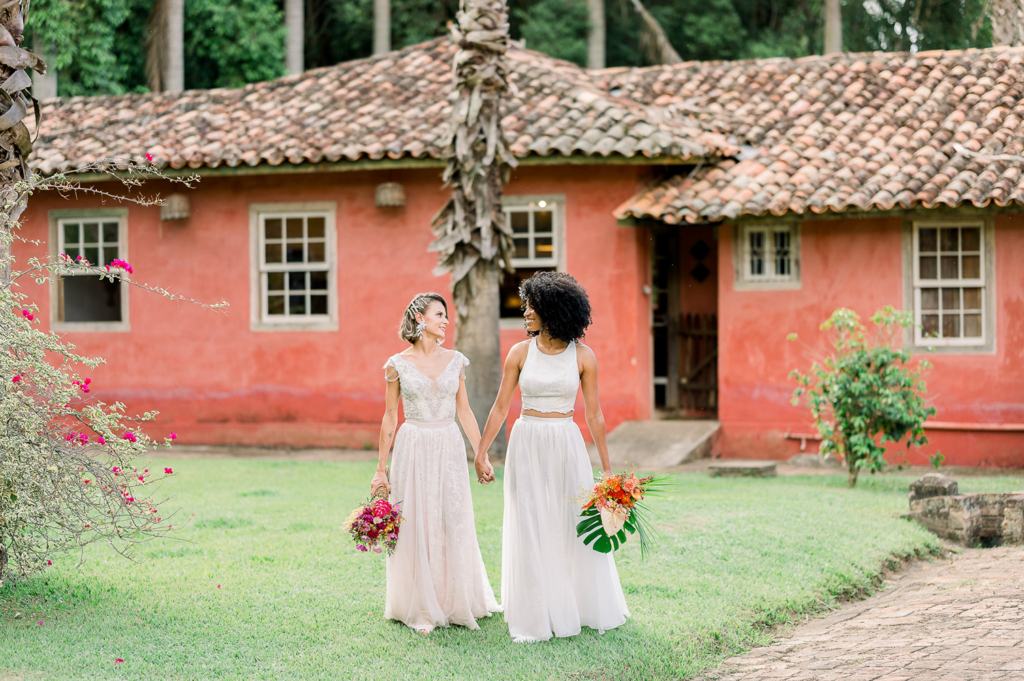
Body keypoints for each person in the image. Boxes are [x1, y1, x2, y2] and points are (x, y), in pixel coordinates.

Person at [475, 272, 629, 643]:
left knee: (570, 522)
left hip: (566, 442)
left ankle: (578, 604)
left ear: (553, 309)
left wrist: (607, 469)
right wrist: (480, 454)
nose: (525, 311)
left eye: (532, 305)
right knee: (529, 522)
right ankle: (534, 612)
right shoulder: (519, 352)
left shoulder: (584, 357)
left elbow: (594, 415)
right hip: (526, 441)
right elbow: (499, 409)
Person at [373, 292, 500, 634]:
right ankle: (421, 607)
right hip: (412, 446)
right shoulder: (395, 364)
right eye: (439, 314)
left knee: (451, 519)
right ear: (419, 317)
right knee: (415, 521)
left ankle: (455, 600)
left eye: (446, 315)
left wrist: (481, 454)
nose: (446, 320)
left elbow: (465, 411)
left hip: (448, 445)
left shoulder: (456, 360)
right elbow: (389, 417)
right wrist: (381, 468)